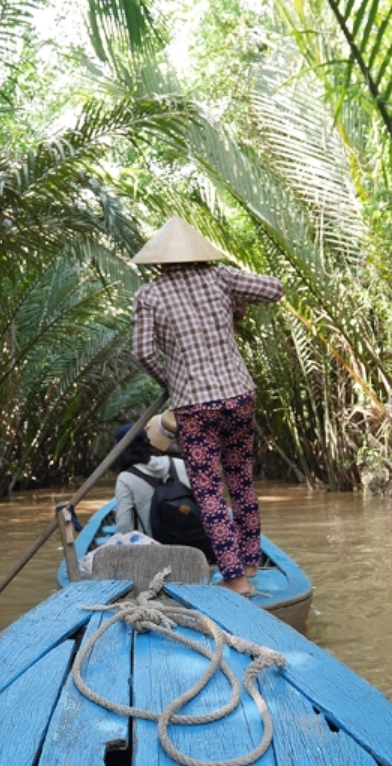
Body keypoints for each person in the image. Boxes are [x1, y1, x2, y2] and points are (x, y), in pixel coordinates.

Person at [131, 216, 284, 596]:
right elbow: (275, 289)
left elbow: (143, 352)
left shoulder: (149, 295)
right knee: (241, 481)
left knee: (210, 491)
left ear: (160, 260)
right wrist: (235, 301)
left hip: (194, 406)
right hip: (238, 396)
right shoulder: (220, 277)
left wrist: (170, 381)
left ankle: (234, 577)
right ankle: (250, 561)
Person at [113, 414, 190, 536]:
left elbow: (124, 527)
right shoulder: (181, 464)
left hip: (154, 551)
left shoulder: (125, 478)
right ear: (148, 444)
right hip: (194, 543)